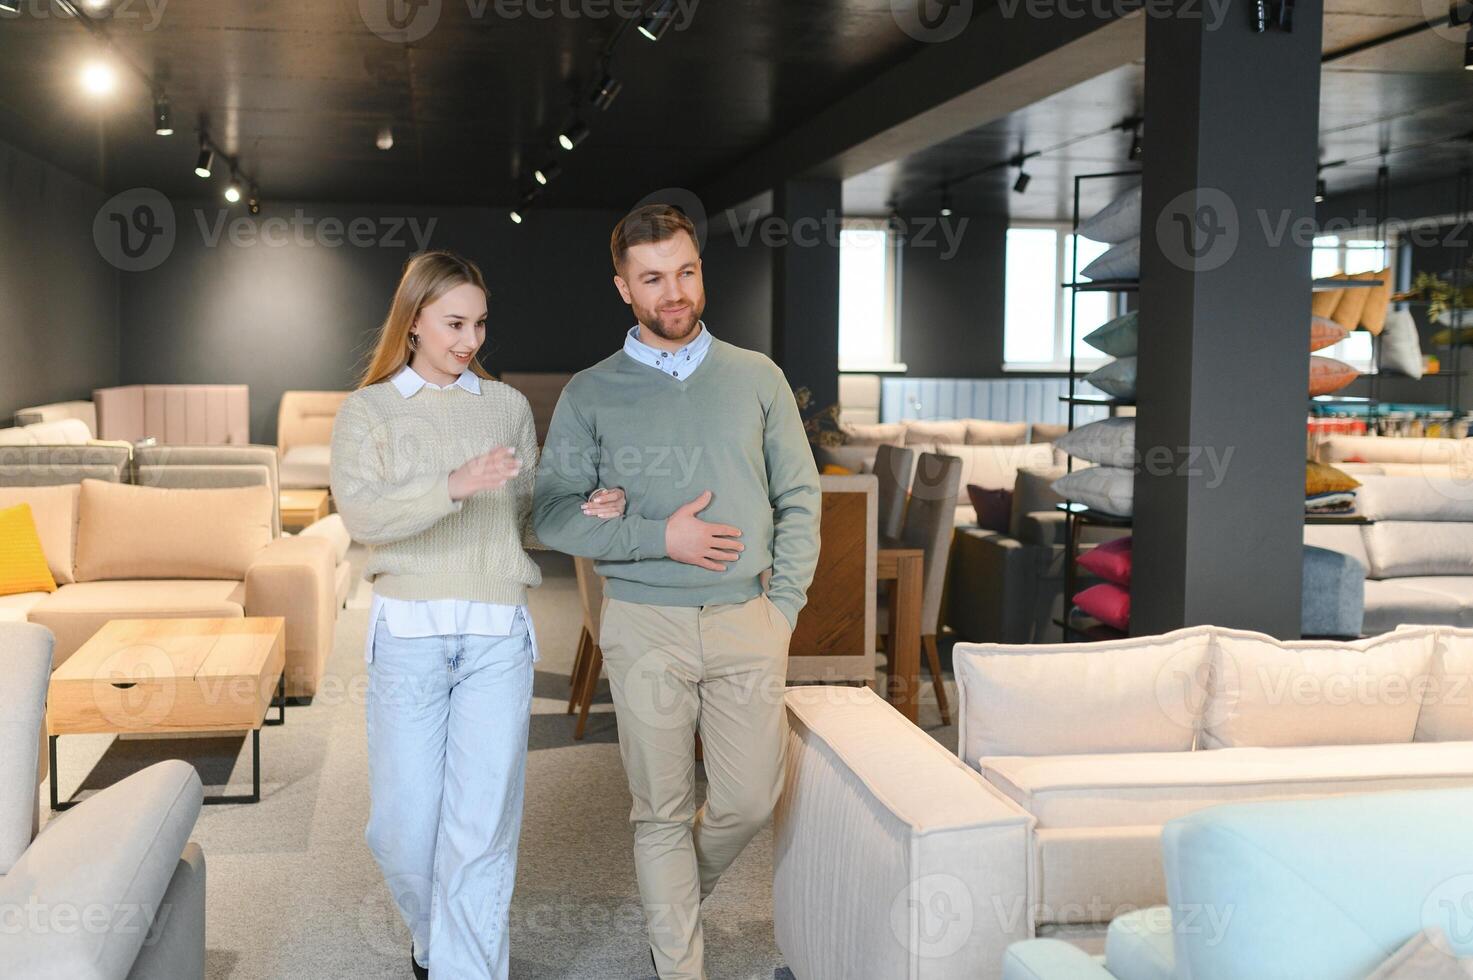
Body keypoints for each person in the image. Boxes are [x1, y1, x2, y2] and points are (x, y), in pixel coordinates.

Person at [533, 204, 821, 979]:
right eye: (653, 277)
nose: (674, 292)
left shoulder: (755, 376)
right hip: (643, 624)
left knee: (750, 800)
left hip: (745, 619)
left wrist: (782, 609)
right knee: (657, 811)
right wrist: (658, 536)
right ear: (623, 287)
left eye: (685, 272)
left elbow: (800, 497)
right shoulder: (591, 393)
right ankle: (677, 965)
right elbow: (553, 513)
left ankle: (670, 910)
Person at [329, 250, 624, 979]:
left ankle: (464, 968)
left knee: (480, 825)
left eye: (479, 323)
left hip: (496, 635)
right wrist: (452, 483)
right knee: (402, 827)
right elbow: (364, 516)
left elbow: (524, 521)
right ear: (414, 322)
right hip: (407, 636)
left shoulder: (507, 407)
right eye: (454, 322)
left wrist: (583, 513)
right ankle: (432, 942)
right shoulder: (367, 411)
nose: (470, 339)